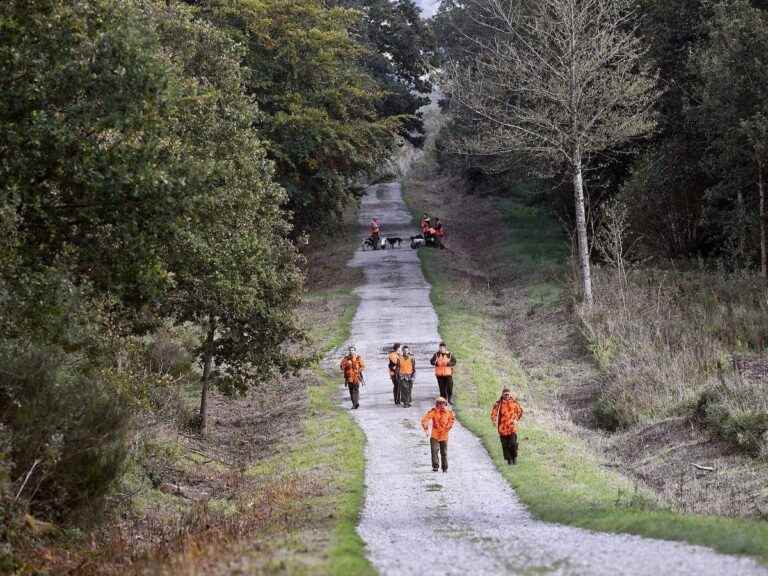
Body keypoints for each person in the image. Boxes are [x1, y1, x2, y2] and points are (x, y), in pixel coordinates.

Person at [421, 397, 455, 473]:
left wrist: (447, 428)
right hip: (435, 435)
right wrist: (426, 429)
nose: (441, 405)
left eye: (442, 403)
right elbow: (425, 419)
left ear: (445, 404)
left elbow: (451, 421)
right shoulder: (433, 412)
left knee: (444, 452)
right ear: (436, 404)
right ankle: (435, 467)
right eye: (439, 403)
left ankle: (445, 468)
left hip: (444, 436)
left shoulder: (449, 413)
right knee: (434, 450)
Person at [490, 388, 524, 464]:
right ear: (502, 395)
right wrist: (494, 420)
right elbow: (494, 413)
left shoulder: (514, 403)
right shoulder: (499, 404)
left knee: (512, 444)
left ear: (510, 394)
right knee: (505, 446)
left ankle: (514, 457)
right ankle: (509, 461)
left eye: (508, 394)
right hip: (502, 429)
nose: (506, 396)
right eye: (505, 394)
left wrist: (516, 419)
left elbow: (520, 411)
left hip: (512, 428)